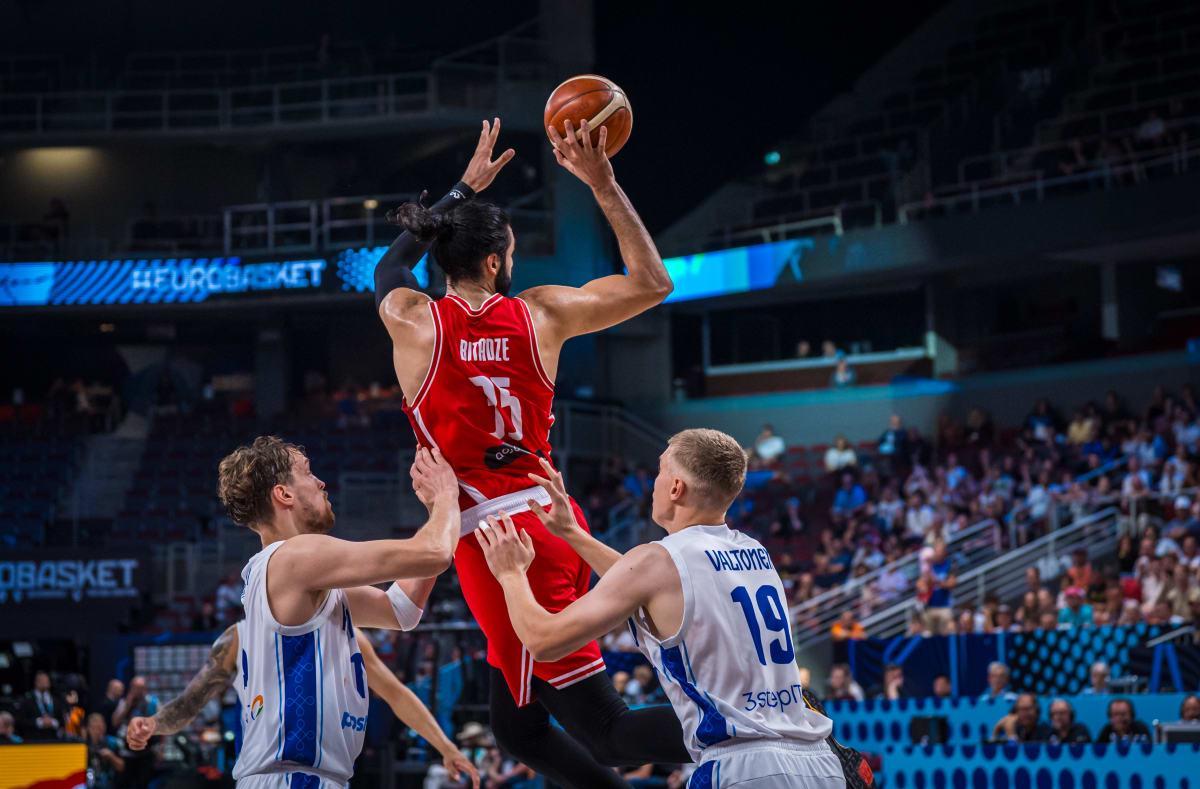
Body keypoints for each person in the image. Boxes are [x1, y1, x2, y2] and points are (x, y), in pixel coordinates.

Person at [373, 117, 686, 786]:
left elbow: (389, 266)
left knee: (608, 732)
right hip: (548, 519)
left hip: (500, 543)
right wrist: (602, 183)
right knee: (517, 727)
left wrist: (461, 189)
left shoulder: (412, 321)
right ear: (494, 262)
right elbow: (652, 282)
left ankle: (755, 719)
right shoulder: (541, 313)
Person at [477, 430, 849, 788]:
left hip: (743, 767)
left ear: (675, 488)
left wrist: (510, 574)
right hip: (819, 762)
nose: (654, 483)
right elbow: (649, 588)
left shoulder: (658, 560)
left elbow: (543, 642)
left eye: (660, 472)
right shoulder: (754, 552)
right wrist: (573, 534)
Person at [123, 439, 462, 787]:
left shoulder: (296, 577)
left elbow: (401, 610)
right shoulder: (296, 557)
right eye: (308, 472)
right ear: (284, 494)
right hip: (292, 777)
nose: (321, 482)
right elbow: (434, 554)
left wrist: (441, 511)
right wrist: (448, 495)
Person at [128, 626, 478, 788]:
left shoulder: (349, 634)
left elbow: (397, 694)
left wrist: (446, 747)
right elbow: (189, 703)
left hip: (330, 777)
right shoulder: (241, 636)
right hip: (269, 775)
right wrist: (153, 723)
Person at [18, 671, 64, 740]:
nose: (44, 682)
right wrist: (39, 722)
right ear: (36, 682)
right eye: (42, 680)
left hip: (54, 740)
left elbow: (63, 720)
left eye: (46, 680)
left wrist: (53, 722)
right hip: (33, 740)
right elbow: (20, 721)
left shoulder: (56, 700)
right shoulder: (27, 700)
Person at [83, 712, 125, 789]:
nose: (97, 731)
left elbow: (122, 766)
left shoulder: (113, 742)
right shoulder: (83, 745)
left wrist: (111, 756)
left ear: (104, 727)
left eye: (100, 727)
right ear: (88, 728)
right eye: (94, 727)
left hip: (108, 783)